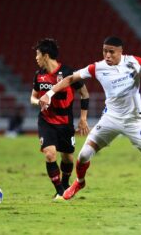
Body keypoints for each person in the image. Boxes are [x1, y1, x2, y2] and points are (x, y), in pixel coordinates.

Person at [39, 36, 141, 205]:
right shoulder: (98, 67)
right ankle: (79, 182)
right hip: (111, 118)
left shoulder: (133, 62)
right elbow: (71, 78)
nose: (107, 55)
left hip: (134, 121)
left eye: (111, 52)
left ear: (120, 52)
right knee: (83, 155)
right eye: (104, 51)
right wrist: (49, 93)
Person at [30, 38, 90, 200]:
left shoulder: (68, 73)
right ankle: (60, 191)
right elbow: (33, 97)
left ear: (46, 55)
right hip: (46, 121)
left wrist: (83, 118)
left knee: (68, 157)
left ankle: (64, 183)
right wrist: (40, 102)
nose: (36, 58)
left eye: (37, 54)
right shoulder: (39, 76)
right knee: (50, 154)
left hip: (65, 122)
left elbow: (84, 93)